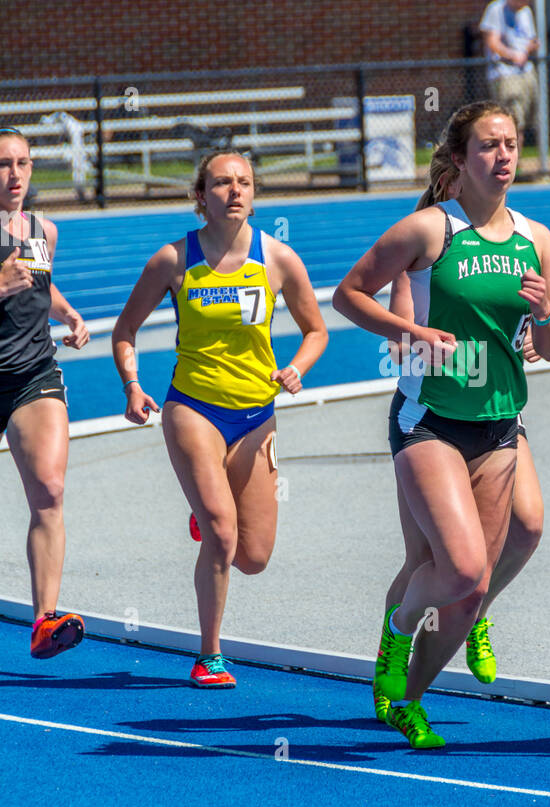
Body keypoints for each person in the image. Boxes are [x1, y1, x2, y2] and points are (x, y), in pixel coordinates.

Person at [333, 101, 550, 748]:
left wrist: (544, 319)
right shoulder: (430, 231)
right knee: (457, 570)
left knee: (476, 577)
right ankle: (397, 632)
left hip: (499, 425)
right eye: (489, 146)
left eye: (513, 144)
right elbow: (348, 293)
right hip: (429, 419)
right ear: (459, 160)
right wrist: (408, 331)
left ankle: (408, 698)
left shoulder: (538, 239)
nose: (505, 157)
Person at [112, 149, 328, 688]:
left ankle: (209, 522)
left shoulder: (278, 259)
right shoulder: (173, 260)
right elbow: (125, 331)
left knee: (253, 557)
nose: (235, 191)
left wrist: (297, 368)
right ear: (200, 196)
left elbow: (316, 330)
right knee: (223, 533)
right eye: (222, 183)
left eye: (244, 183)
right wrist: (133, 386)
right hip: (193, 408)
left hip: (257, 416)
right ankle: (210, 655)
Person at [376, 264, 545, 720]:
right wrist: (421, 344)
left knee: (526, 527)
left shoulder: (516, 242)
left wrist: (533, 335)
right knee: (429, 562)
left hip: (498, 414)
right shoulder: (422, 254)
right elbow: (395, 350)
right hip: (433, 418)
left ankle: (477, 614)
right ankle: (397, 674)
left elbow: (541, 333)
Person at [0, 127, 90, 658]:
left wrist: (69, 312)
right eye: (3, 164)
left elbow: (39, 282)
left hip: (32, 372)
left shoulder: (41, 230)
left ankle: (44, 619)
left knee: (50, 491)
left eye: (23, 163)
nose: (14, 175)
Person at [479, 0, 540, 144]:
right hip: (505, 72)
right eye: (523, 0)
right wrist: (513, 55)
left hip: (525, 70)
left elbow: (530, 39)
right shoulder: (495, 9)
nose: (525, 4)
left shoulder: (526, 12)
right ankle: (513, 166)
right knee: (513, 120)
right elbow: (492, 42)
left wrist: (530, 48)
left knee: (530, 119)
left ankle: (518, 162)